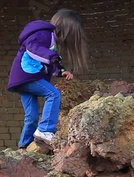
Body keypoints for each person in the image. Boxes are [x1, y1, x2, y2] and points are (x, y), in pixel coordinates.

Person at [7, 9, 88, 149]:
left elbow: (47, 63)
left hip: (22, 79)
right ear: (66, 30)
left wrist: (61, 71)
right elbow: (33, 49)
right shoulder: (43, 34)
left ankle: (23, 146)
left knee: (31, 116)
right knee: (53, 94)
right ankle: (45, 129)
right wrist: (52, 56)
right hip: (28, 76)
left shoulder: (50, 42)